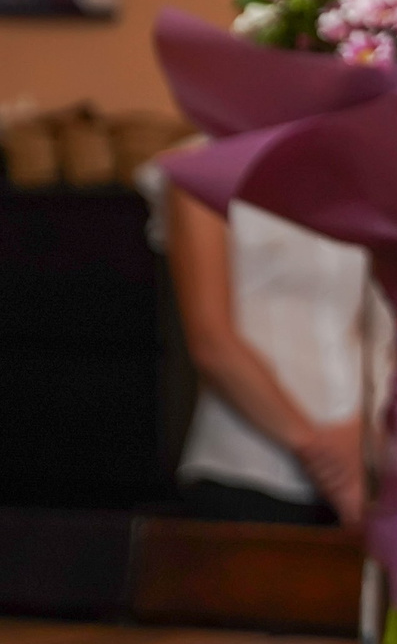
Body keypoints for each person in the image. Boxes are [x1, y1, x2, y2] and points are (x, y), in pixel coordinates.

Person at [142, 162, 371, 526]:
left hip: (365, 464)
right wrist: (320, 454)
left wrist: (362, 433)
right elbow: (211, 340)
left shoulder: (362, 169)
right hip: (250, 469)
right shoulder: (205, 168)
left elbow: (388, 330)